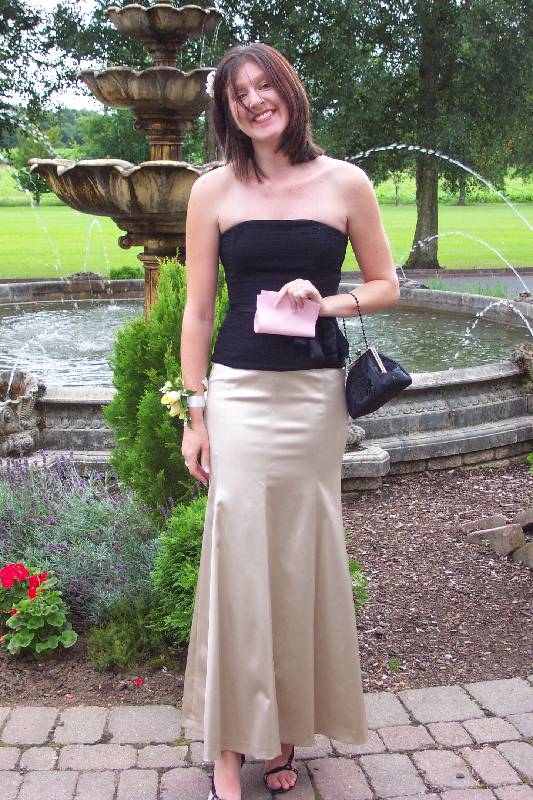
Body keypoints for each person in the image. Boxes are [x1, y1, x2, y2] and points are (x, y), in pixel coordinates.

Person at [179, 42, 399, 800]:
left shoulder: (345, 182)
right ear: (226, 112)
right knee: (237, 558)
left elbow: (385, 284)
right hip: (239, 393)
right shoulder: (212, 190)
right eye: (236, 94)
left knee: (298, 561)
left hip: (312, 398)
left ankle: (284, 731)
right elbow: (198, 311)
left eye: (262, 86)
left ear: (287, 92)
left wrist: (324, 301)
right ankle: (227, 748)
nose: (252, 101)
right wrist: (195, 412)